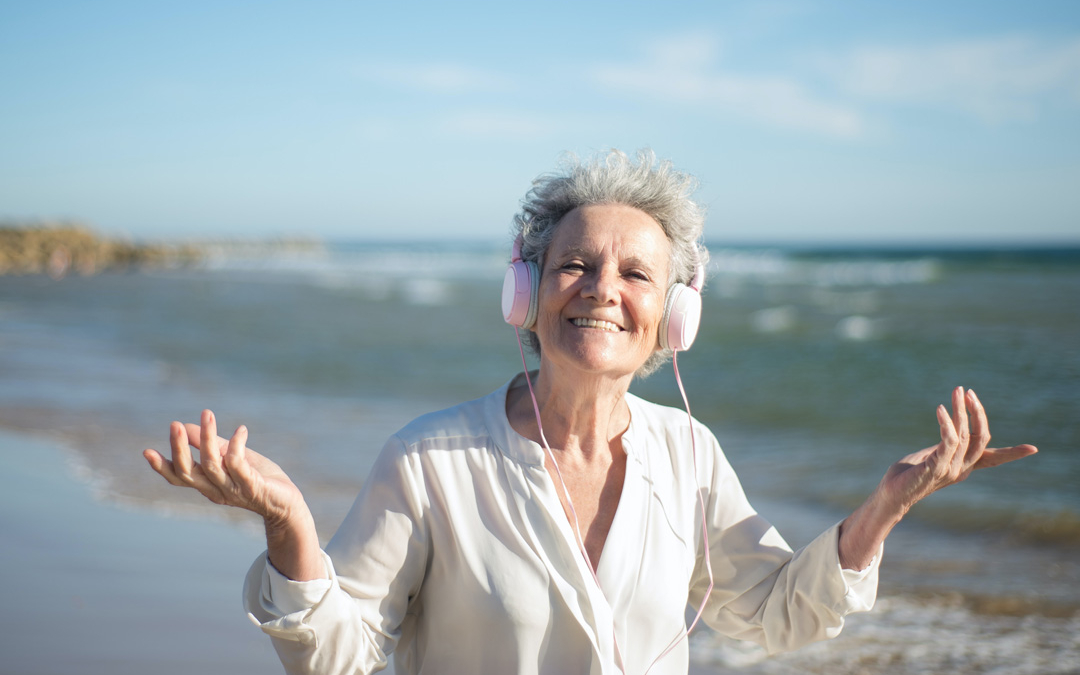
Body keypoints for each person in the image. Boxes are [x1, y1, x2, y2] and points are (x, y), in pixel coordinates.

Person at [143, 149, 1037, 675]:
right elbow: (342, 654)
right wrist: (288, 524)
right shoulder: (427, 460)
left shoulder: (688, 452)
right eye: (575, 265)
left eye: (637, 273)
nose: (603, 291)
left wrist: (881, 510)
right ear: (526, 293)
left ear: (672, 316)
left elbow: (771, 614)